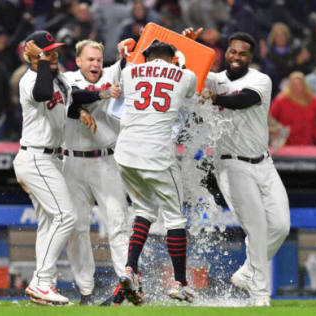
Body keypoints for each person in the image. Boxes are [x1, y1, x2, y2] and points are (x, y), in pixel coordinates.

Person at [13, 30, 118, 306]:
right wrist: (40, 61)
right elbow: (42, 92)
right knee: (66, 217)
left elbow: (75, 96)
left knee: (49, 222)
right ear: (34, 53)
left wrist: (98, 96)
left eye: (55, 50)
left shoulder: (58, 79)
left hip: (49, 159)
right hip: (36, 157)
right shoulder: (30, 80)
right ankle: (41, 282)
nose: (54, 54)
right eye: (48, 50)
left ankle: (43, 285)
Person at [189, 30, 290, 307]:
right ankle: (260, 294)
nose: (236, 56)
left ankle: (247, 271)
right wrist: (190, 43)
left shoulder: (261, 79)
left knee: (281, 226)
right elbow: (184, 67)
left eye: (242, 53)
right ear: (226, 52)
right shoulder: (213, 80)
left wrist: (212, 98)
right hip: (230, 164)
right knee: (256, 229)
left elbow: (243, 100)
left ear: (250, 57)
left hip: (263, 162)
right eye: (233, 51)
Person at [114, 41, 197, 305]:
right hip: (157, 155)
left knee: (144, 210)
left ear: (146, 57)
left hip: (125, 154)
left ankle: (129, 269)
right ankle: (180, 283)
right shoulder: (185, 74)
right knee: (174, 218)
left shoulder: (129, 72)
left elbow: (132, 66)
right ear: (172, 59)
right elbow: (190, 92)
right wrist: (180, 60)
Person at [61, 39, 130, 305]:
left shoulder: (113, 73)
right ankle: (86, 291)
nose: (95, 64)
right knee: (77, 228)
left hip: (106, 162)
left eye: (99, 59)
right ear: (78, 61)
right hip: (73, 163)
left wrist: (125, 52)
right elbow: (73, 97)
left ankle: (127, 283)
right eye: (89, 59)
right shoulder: (67, 78)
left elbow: (126, 63)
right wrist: (88, 103)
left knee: (118, 222)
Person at [270, 71, 316, 145]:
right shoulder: (280, 100)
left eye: (300, 84)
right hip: (286, 144)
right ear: (289, 85)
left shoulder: (313, 100)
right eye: (294, 84)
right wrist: (277, 136)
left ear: (304, 85)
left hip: (309, 143)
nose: (297, 87)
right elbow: (271, 120)